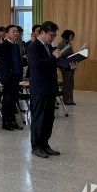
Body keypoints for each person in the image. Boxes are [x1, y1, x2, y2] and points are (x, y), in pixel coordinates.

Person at [27, 21, 75, 158]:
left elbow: (55, 63)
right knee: (39, 118)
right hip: (39, 88)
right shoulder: (33, 47)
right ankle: (36, 146)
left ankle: (45, 144)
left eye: (54, 35)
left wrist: (69, 67)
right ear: (42, 32)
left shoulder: (49, 46)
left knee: (49, 118)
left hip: (50, 87)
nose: (53, 38)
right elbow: (37, 66)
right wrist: (53, 56)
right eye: (51, 35)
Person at [0, 25, 24, 131]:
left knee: (14, 100)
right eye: (13, 31)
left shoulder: (16, 45)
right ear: (7, 34)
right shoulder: (4, 45)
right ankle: (6, 122)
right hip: (7, 77)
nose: (16, 33)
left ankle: (13, 121)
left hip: (16, 76)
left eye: (17, 31)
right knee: (7, 100)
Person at [57, 30, 77, 105]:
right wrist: (67, 49)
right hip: (65, 66)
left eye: (72, 36)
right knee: (66, 83)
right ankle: (66, 100)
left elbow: (71, 54)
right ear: (67, 35)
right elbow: (60, 55)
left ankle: (71, 99)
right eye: (71, 36)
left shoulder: (69, 43)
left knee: (71, 83)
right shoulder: (61, 44)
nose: (72, 37)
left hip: (71, 65)